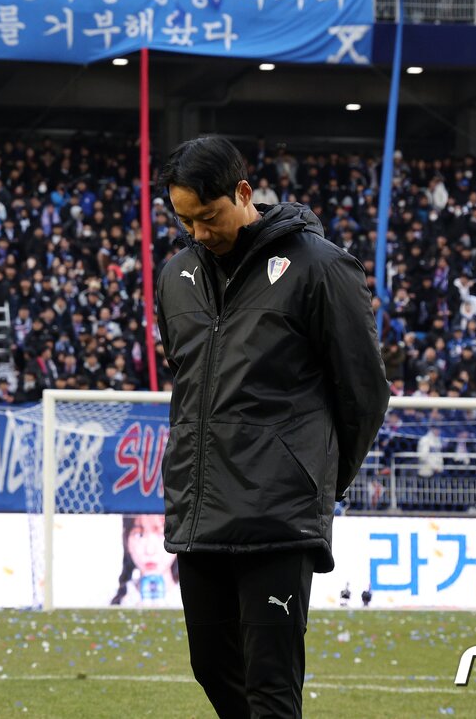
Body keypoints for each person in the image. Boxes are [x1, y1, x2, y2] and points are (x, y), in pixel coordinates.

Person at [155, 136, 388, 719]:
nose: (199, 233)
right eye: (186, 221)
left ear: (243, 192)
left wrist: (316, 477)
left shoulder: (321, 267)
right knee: (211, 667)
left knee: (271, 688)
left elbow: (364, 393)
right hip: (200, 508)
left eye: (208, 217)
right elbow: (189, 387)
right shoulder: (176, 274)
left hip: (278, 513)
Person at [109, 515, 182, 607]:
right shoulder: (107, 602)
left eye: (162, 534)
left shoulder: (196, 600)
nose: (149, 550)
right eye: (139, 535)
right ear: (126, 540)